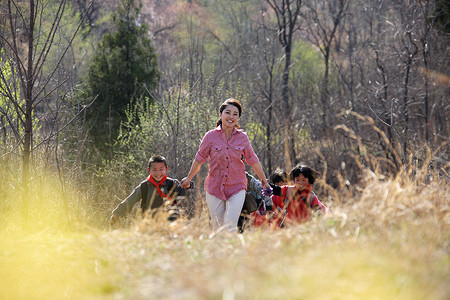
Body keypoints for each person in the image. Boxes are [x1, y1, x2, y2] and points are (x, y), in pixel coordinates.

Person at [180, 98, 270, 232]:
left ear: (238, 118)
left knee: (230, 225)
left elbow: (253, 160)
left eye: (235, 114)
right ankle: (219, 252)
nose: (231, 117)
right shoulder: (210, 136)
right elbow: (199, 159)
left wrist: (264, 180)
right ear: (220, 114)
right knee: (217, 227)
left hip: (237, 186)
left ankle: (232, 252)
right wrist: (188, 179)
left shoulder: (242, 137)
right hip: (214, 187)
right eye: (228, 113)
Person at [110, 155, 193, 225]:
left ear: (166, 169)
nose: (158, 173)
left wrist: (188, 186)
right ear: (149, 170)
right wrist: (116, 214)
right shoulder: (144, 186)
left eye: (161, 169)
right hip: (149, 223)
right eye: (154, 170)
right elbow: (130, 200)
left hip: (170, 223)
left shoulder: (172, 183)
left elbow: (183, 195)